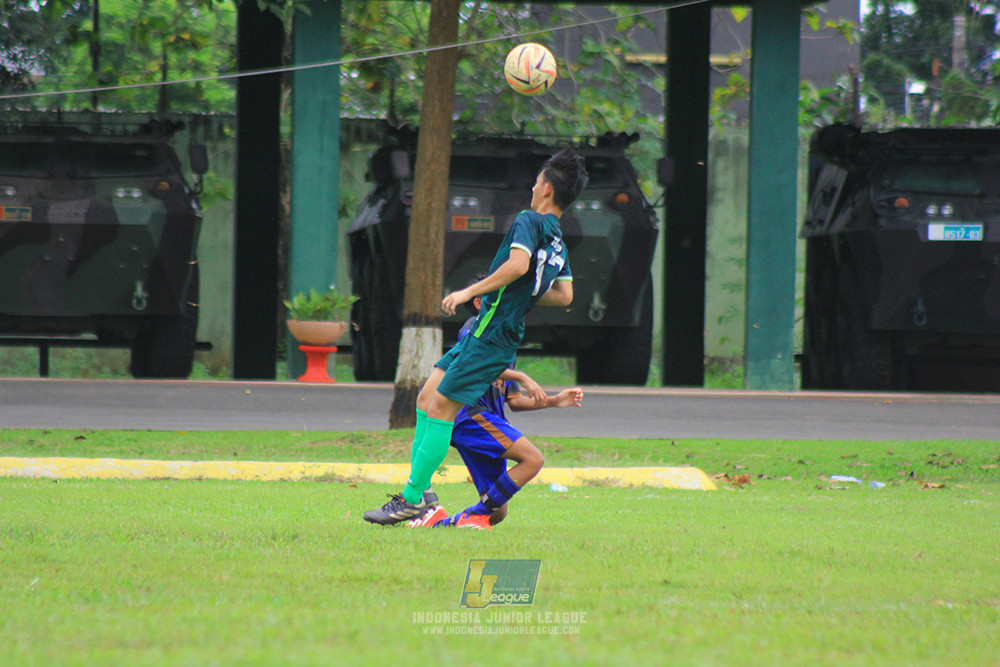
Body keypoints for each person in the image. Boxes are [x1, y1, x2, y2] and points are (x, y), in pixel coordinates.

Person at [363, 148, 588, 526]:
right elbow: (565, 296)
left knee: (439, 410)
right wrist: (521, 296)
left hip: (490, 336)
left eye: (537, 181)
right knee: (425, 398)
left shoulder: (529, 220)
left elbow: (517, 265)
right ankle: (420, 493)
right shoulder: (558, 241)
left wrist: (470, 292)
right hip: (488, 334)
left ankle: (414, 499)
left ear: (546, 189)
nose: (533, 187)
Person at [409, 289, 583, 530]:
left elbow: (515, 401)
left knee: (496, 511)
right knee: (533, 459)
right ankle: (463, 512)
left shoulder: (504, 342)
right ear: (480, 304)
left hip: (487, 422)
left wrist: (554, 401)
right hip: (469, 415)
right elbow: (472, 361)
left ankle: (439, 525)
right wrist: (522, 376)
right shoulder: (474, 328)